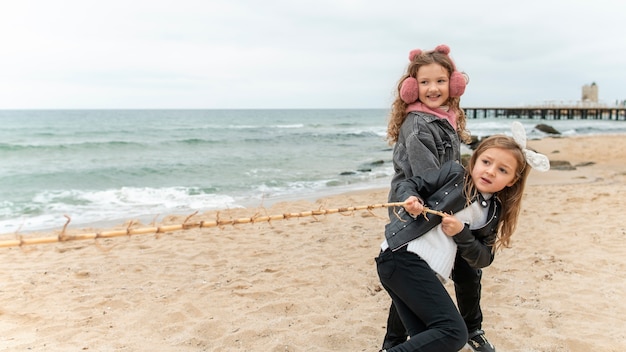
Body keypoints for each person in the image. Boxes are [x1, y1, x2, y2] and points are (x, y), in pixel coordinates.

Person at [376, 128, 550, 352]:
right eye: (486, 162)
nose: (490, 172)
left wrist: (461, 233)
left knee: (431, 340)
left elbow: (483, 257)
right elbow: (408, 184)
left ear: (512, 180)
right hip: (402, 255)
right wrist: (412, 198)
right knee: (454, 333)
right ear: (475, 160)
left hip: (422, 271)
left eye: (502, 170)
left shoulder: (493, 212)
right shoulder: (454, 175)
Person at [384, 44, 502, 352]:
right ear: (411, 88)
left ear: (453, 84)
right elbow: (429, 180)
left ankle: (472, 328)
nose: (432, 88)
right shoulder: (419, 125)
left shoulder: (443, 117)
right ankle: (397, 342)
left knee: (459, 271)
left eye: (439, 80)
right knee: (423, 276)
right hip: (420, 208)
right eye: (424, 82)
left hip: (443, 203)